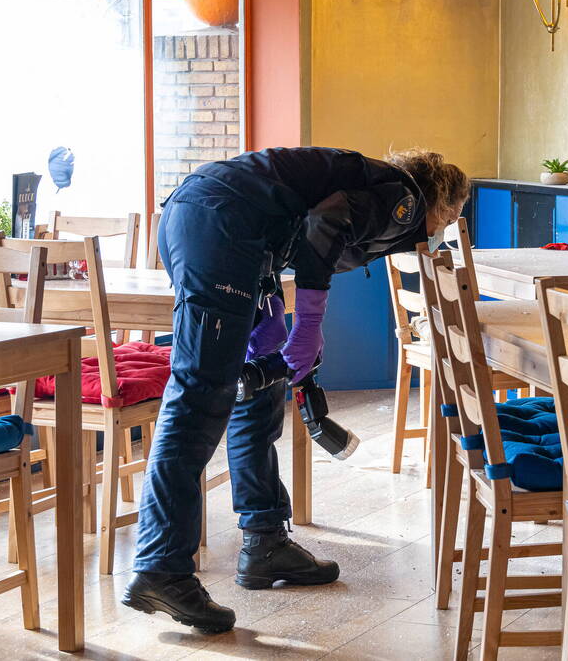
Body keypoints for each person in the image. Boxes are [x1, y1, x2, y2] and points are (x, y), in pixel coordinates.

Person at [122, 147, 470, 633]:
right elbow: (324, 227)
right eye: (453, 213)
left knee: (258, 388)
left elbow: (288, 220)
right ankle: (161, 567)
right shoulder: (404, 200)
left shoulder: (374, 183)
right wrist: (308, 321)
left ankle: (265, 540)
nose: (447, 225)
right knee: (198, 399)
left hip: (217, 226)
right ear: (440, 198)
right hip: (220, 227)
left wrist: (271, 307)